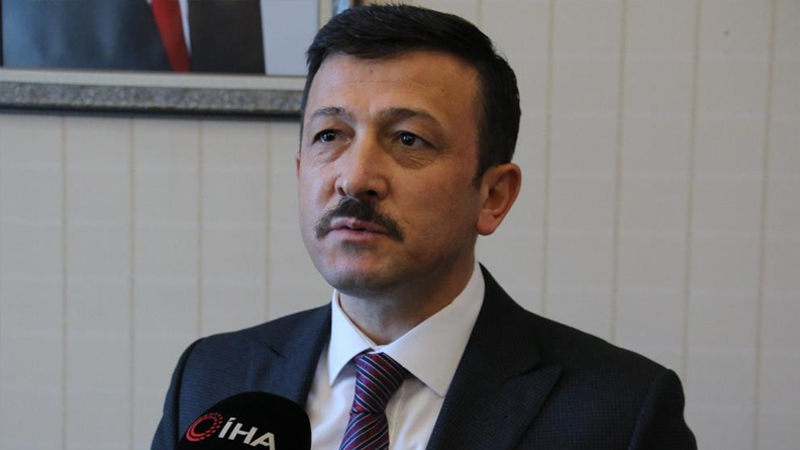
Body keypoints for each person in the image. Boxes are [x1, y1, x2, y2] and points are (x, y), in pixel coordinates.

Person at [151, 5, 697, 449]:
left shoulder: (620, 412)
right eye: (330, 135)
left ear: (493, 196)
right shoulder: (212, 377)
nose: (355, 178)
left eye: (408, 139)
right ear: (300, 170)